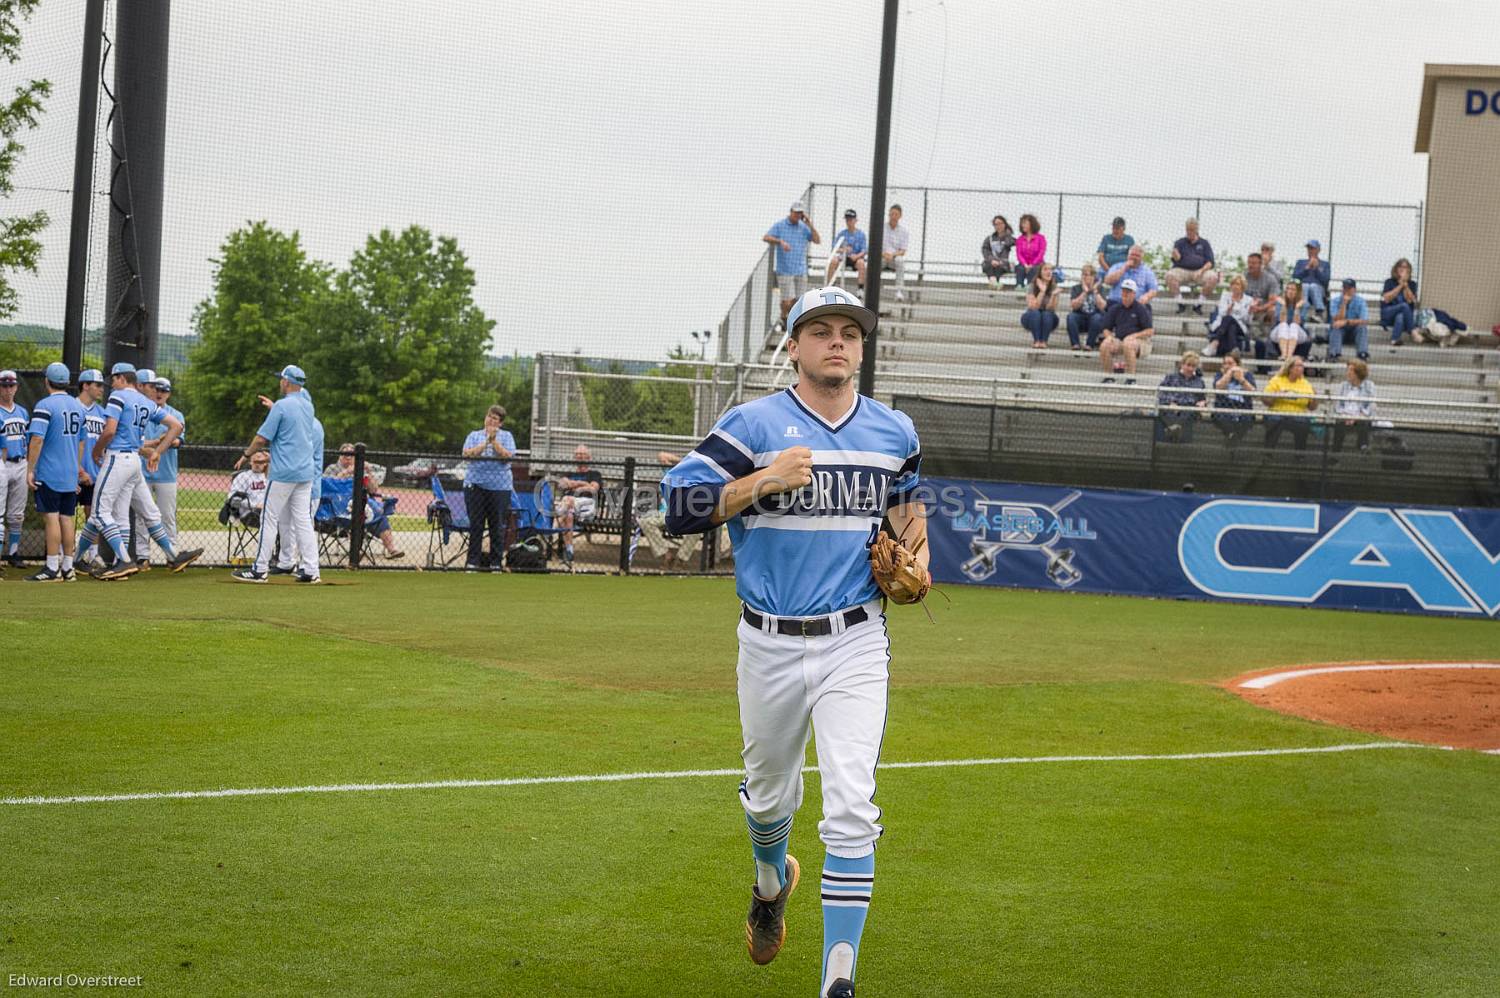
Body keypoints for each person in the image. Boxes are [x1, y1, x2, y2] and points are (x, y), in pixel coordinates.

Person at [661, 285, 925, 998]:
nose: (837, 341)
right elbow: (673, 506)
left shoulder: (894, 431)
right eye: (820, 330)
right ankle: (771, 879)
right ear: (795, 344)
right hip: (769, 641)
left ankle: (837, 981)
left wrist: (917, 563)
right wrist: (761, 480)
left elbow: (907, 503)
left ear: (861, 348)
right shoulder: (754, 423)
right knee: (770, 800)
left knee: (851, 803)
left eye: (849, 332)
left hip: (855, 639)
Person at [75, 363, 199, 579]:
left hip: (117, 458)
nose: (110, 384)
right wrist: (157, 451)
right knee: (128, 515)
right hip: (133, 461)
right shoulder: (145, 402)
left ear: (122, 378)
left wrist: (97, 451)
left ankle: (123, 561)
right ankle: (170, 554)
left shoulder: (118, 396)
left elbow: (110, 430)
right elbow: (176, 426)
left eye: (113, 378)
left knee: (98, 512)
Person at [232, 365, 320, 583]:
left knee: (268, 519)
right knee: (303, 521)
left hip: (283, 473)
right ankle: (311, 570)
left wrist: (246, 455)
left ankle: (259, 569)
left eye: (281, 379)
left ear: (286, 382)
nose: (280, 382)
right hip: (305, 472)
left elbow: (261, 438)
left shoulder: (281, 406)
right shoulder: (308, 407)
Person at [22, 363, 86, 582]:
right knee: (66, 518)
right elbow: (81, 443)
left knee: (51, 518)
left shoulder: (45, 405)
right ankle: (68, 568)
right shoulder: (78, 407)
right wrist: (76, 469)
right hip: (69, 472)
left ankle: (51, 567)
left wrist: (30, 470)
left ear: (47, 381)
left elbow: (37, 439)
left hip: (50, 472)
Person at [462, 404, 516, 572]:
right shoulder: (474, 435)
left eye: (495, 418)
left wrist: (494, 442)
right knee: (476, 525)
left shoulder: (507, 436)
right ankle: (472, 562)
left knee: (497, 525)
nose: (491, 420)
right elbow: (467, 454)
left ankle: (495, 564)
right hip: (475, 485)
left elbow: (507, 456)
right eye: (489, 416)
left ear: (500, 423)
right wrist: (486, 442)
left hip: (499, 488)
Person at [137, 374, 184, 568]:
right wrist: (161, 441)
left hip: (166, 473)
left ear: (169, 394)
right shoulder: (142, 410)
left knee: (167, 515)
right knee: (142, 515)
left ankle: (171, 556)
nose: (159, 393)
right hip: (142, 471)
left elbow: (178, 441)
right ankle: (142, 555)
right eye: (157, 389)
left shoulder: (176, 414)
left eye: (164, 390)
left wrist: (166, 442)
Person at [765, 201, 821, 330]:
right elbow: (766, 237)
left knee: (798, 300)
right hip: (785, 269)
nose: (797, 215)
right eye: (795, 212)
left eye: (800, 213)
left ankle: (792, 322)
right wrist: (780, 241)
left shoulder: (803, 227)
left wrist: (810, 224)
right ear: (791, 212)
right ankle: (784, 316)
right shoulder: (780, 225)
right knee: (787, 301)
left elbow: (817, 240)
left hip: (800, 269)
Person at [1098, 278, 1155, 383]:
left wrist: (1134, 336)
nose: (1125, 294)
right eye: (1124, 291)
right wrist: (1109, 337)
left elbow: (1150, 331)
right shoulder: (1115, 308)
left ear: (1134, 294)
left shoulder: (1141, 309)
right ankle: (1108, 376)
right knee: (1105, 344)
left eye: (1128, 292)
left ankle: (1131, 378)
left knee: (1128, 343)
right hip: (1121, 340)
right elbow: (1106, 328)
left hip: (1142, 342)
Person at [555, 444, 603, 567]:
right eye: (577, 455)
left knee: (568, 499)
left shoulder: (595, 474)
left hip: (587, 506)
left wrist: (573, 484)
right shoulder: (568, 473)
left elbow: (593, 489)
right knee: (569, 515)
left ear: (588, 457)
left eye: (582, 455)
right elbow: (562, 484)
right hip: (570, 508)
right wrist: (582, 483)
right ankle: (569, 551)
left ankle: (556, 524)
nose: (579, 457)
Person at [0, 369, 29, 568]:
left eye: (11, 385)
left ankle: (13, 553)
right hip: (3, 463)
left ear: (17, 387)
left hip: (20, 463)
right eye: (4, 385)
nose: (8, 389)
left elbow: (26, 439)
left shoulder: (22, 412)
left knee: (17, 513)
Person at [1262, 356, 1318, 451]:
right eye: (1299, 365)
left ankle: (1300, 454)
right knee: (1275, 421)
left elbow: (1312, 407)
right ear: (1290, 368)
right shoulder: (1277, 380)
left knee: (1303, 424)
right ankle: (1268, 452)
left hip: (1298, 415)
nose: (1302, 368)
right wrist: (1277, 395)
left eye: (1302, 366)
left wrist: (1315, 398)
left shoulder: (1306, 384)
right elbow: (1265, 400)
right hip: (1277, 412)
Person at [1164, 218, 1219, 310]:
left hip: (1200, 271)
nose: (1189, 232)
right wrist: (1175, 255)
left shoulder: (1204, 243)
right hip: (1182, 270)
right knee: (1169, 275)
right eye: (1188, 230)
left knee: (1213, 277)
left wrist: (1201, 271)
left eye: (1192, 230)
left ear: (1197, 230)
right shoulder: (1179, 242)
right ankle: (1180, 303)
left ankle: (1199, 304)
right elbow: (1176, 260)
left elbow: (1210, 262)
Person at [75, 369, 107, 523]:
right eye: (98, 385)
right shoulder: (71, 407)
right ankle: (63, 549)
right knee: (64, 516)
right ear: (85, 385)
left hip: (94, 474)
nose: (102, 389)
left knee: (93, 518)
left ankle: (92, 549)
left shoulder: (102, 413)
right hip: (71, 473)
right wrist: (79, 471)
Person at [1156, 351, 1207, 441]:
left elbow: (1202, 398)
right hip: (1171, 407)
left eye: (1193, 366)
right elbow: (1162, 393)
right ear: (1182, 364)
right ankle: (1175, 428)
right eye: (1188, 365)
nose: (1190, 369)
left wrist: (1202, 403)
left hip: (1189, 409)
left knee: (1190, 411)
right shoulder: (1171, 377)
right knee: (1164, 409)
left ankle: (1173, 428)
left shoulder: (1199, 381)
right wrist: (1170, 403)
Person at [1211, 350, 1257, 447]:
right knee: (1220, 417)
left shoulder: (1247, 375)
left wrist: (1241, 379)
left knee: (1247, 420)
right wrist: (1229, 374)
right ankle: (1233, 437)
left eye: (1230, 363)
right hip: (1223, 408)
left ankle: (1232, 439)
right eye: (1225, 364)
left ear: (1237, 364)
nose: (1227, 366)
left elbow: (1253, 392)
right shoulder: (1219, 375)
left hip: (1243, 408)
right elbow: (1218, 387)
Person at [1243, 252, 1283, 357]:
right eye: (1249, 262)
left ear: (1261, 264)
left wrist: (1260, 308)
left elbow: (1273, 300)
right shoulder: (1244, 276)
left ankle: (1270, 341)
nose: (1250, 265)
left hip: (1263, 310)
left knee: (1273, 310)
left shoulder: (1270, 278)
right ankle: (1258, 339)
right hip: (1247, 309)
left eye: (1254, 263)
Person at [1332, 359, 1376, 453]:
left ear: (1358, 372)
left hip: (1361, 417)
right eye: (1347, 370)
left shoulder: (1369, 385)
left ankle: (1363, 447)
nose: (1347, 373)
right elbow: (1337, 405)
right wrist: (1345, 416)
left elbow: (1371, 406)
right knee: (1339, 424)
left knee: (1364, 423)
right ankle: (1335, 454)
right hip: (1345, 417)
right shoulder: (1343, 385)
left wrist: (1356, 417)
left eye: (1350, 370)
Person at [1205, 275, 1252, 358]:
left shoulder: (1248, 300)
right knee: (1231, 326)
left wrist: (1247, 310)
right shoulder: (1225, 295)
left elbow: (1245, 318)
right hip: (1222, 325)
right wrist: (1228, 310)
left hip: (1240, 326)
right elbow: (1221, 312)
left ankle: (1215, 342)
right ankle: (1234, 351)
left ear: (1242, 287)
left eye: (1237, 284)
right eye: (1233, 284)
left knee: (1229, 319)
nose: (1235, 286)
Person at [1103, 244, 1160, 312]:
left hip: (1137, 304)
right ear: (1128, 255)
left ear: (1142, 258)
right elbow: (1107, 281)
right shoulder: (1117, 266)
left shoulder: (1147, 272)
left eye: (1137, 256)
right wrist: (1124, 268)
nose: (1134, 257)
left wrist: (1146, 296)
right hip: (1116, 303)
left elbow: (1153, 290)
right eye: (1132, 255)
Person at [1067, 264, 1110, 351]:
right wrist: (1084, 292)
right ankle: (1075, 344)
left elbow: (1103, 307)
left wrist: (1094, 291)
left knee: (1097, 317)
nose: (1084, 277)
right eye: (1083, 274)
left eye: (1087, 275)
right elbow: (1074, 306)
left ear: (1093, 276)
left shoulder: (1101, 289)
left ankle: (1089, 345)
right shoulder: (1076, 288)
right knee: (1071, 317)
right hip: (1080, 318)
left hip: (1095, 320)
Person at [1327, 277, 1371, 361]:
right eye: (1344, 288)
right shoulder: (1335, 301)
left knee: (1362, 327)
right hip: (1340, 333)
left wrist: (1346, 322)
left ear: (1354, 289)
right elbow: (1336, 319)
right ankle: (1334, 354)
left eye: (1349, 288)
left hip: (1354, 332)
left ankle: (1362, 354)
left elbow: (1364, 320)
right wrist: (1344, 304)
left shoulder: (1361, 301)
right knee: (1336, 326)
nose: (1346, 290)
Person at [1021, 262, 1061, 348]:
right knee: (1036, 313)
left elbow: (1050, 309)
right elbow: (1033, 307)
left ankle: (1044, 341)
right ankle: (1037, 340)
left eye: (1050, 269)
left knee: (1047, 314)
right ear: (1040, 272)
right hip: (1031, 318)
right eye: (1045, 269)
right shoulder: (1032, 286)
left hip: (1048, 320)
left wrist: (1053, 295)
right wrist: (1042, 291)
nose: (1049, 272)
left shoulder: (1054, 287)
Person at [826, 209, 868, 291]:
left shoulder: (861, 234)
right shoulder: (842, 234)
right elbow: (834, 248)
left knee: (861, 263)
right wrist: (843, 250)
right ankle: (830, 285)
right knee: (833, 261)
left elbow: (864, 250)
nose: (848, 222)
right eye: (847, 220)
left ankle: (860, 289)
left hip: (855, 258)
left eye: (850, 219)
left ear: (855, 220)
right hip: (843, 258)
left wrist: (856, 256)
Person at [1380, 258, 1418, 345]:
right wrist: (1400, 285)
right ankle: (1412, 330)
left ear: (1409, 270)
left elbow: (1410, 300)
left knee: (1400, 316)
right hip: (1388, 312)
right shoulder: (1389, 282)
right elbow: (1387, 298)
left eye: (1405, 267)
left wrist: (1405, 285)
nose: (1402, 269)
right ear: (1396, 269)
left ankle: (1394, 339)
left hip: (1403, 316)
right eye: (1400, 266)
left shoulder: (1412, 284)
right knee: (1403, 306)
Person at [226, 451, 271, 524]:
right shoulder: (243, 476)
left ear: (265, 463)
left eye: (260, 461)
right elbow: (233, 497)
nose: (257, 463)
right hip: (250, 513)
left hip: (270, 509)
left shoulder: (270, 477)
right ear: (251, 462)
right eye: (255, 460)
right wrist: (254, 505)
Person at [1270, 281, 1310, 360]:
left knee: (1293, 325)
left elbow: (1298, 322)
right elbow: (1281, 320)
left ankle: (1289, 355)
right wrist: (1284, 305)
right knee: (1284, 325)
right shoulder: (1280, 302)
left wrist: (1297, 308)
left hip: (1298, 333)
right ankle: (1284, 354)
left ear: (1298, 292)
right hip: (1279, 332)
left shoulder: (1304, 304)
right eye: (1288, 289)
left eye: (1293, 289)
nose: (1290, 291)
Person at [1292, 240, 1331, 320]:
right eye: (1309, 248)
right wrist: (1307, 268)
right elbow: (1295, 277)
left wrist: (1317, 269)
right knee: (1305, 286)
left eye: (1313, 248)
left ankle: (1319, 312)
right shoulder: (1300, 262)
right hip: (1302, 290)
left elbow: (1326, 280)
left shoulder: (1325, 264)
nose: (1310, 250)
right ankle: (1303, 311)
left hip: (1319, 291)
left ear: (1318, 250)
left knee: (1313, 286)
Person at [880, 204, 909, 301]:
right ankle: (872, 290)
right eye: (891, 214)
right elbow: (875, 246)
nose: (893, 216)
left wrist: (892, 255)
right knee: (872, 263)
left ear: (900, 216)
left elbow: (903, 251)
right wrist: (884, 254)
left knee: (900, 261)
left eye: (896, 214)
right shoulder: (881, 228)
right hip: (882, 258)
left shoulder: (904, 231)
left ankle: (899, 292)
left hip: (894, 260)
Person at [1013, 214, 1046, 289]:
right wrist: (1025, 264)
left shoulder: (1040, 238)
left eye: (1025, 223)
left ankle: (1030, 286)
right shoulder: (1020, 239)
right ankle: (1019, 285)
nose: (1023, 225)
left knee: (1035, 269)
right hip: (1024, 264)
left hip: (1037, 263)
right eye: (1022, 223)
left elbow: (1041, 252)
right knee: (1019, 268)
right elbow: (1019, 254)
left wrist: (1032, 264)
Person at [980, 215, 1014, 288]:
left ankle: (993, 283)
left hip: (1003, 263)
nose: (999, 226)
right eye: (996, 224)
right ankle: (994, 283)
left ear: (1005, 224)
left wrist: (1007, 235)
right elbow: (985, 250)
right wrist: (992, 260)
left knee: (998, 267)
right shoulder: (990, 239)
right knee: (988, 264)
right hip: (991, 262)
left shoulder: (1010, 239)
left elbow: (1016, 246)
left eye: (1001, 223)